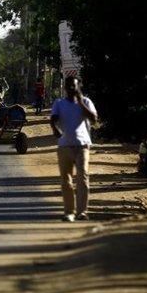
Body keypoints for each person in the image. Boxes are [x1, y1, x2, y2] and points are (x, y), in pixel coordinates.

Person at [50, 76, 98, 222]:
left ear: (79, 87)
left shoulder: (86, 102)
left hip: (82, 146)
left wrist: (81, 102)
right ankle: (69, 212)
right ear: (64, 88)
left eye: (74, 86)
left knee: (83, 178)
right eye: (69, 86)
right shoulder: (59, 103)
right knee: (66, 181)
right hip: (64, 146)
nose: (71, 88)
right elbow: (53, 118)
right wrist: (55, 129)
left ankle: (82, 211)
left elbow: (94, 119)